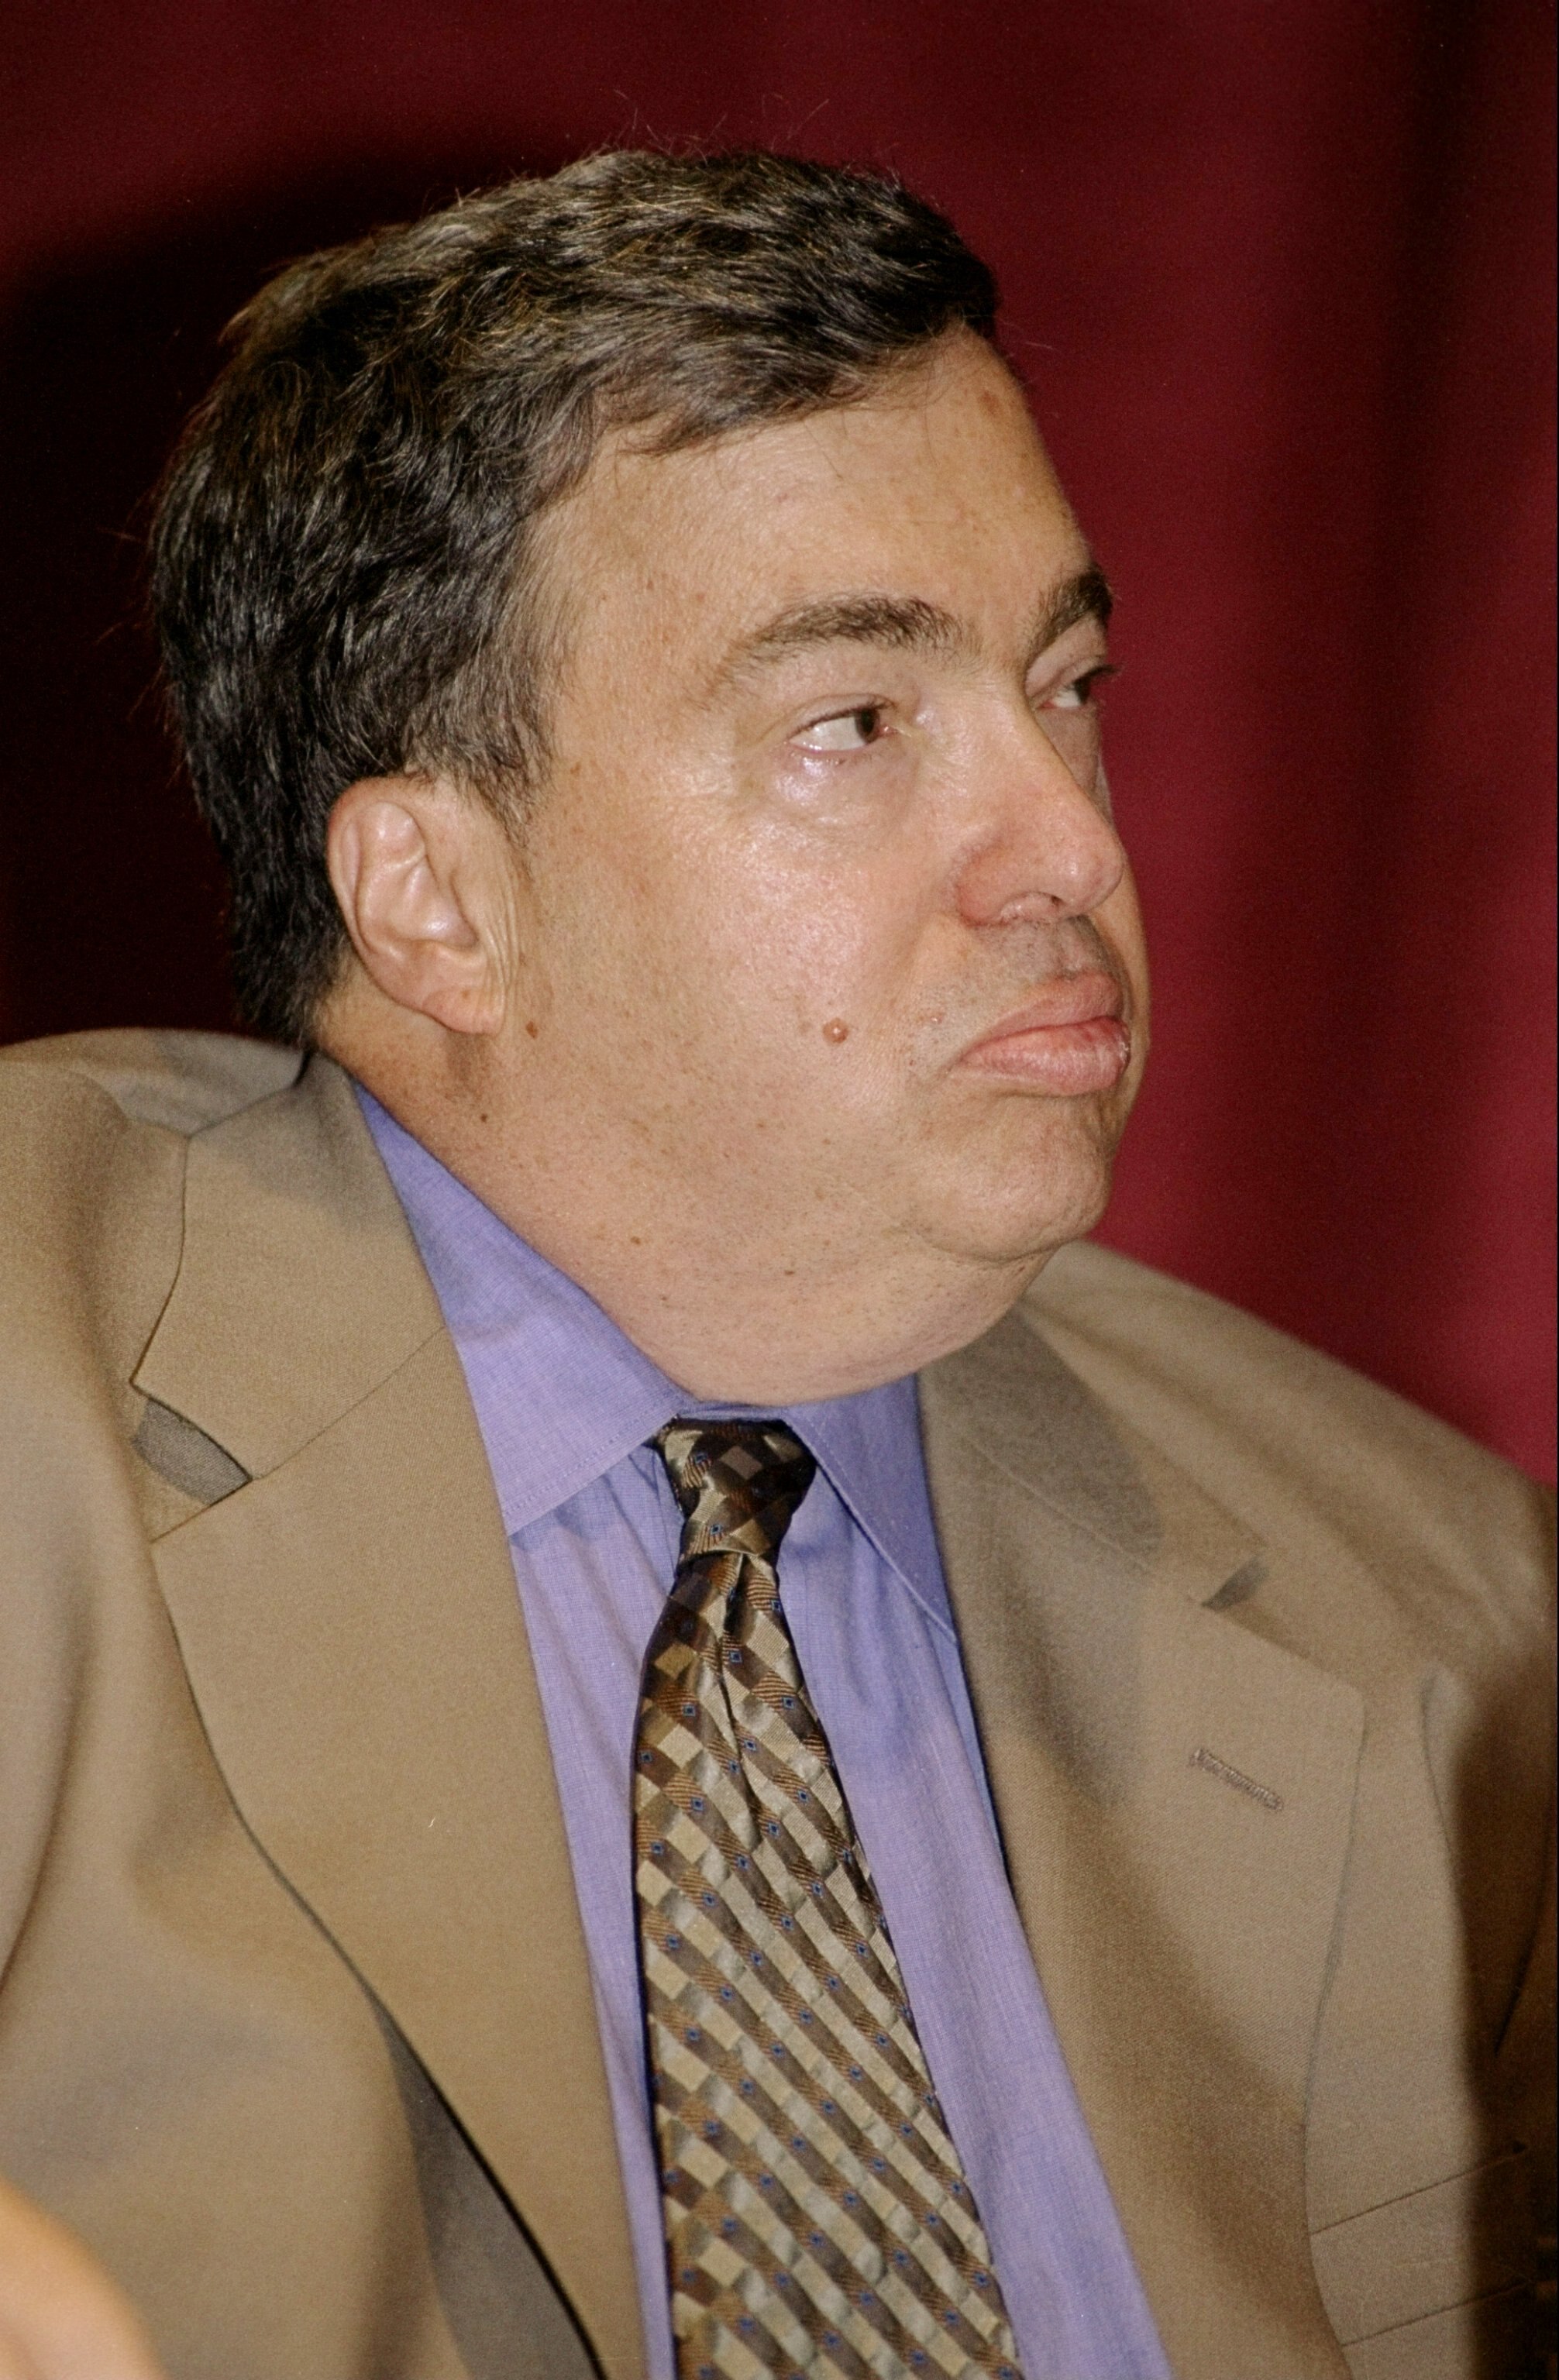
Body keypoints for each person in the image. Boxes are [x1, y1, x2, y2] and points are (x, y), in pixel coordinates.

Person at [0, 150, 1550, 2380]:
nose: (1069, 847)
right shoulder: (36, 1389)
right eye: (856, 723)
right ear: (434, 897)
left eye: (1067, 683)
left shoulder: (1446, 1618)